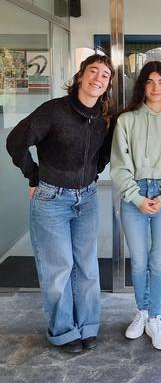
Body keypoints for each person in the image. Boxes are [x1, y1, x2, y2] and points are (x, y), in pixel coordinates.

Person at [6, 54, 115, 354]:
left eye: (105, 75)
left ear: (107, 86)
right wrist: (34, 175)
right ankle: (64, 330)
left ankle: (88, 325)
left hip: (88, 199)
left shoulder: (103, 117)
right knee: (59, 269)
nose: (98, 78)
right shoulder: (54, 110)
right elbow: (16, 141)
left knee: (87, 267)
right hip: (51, 200)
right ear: (80, 76)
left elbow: (102, 153)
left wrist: (93, 172)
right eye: (93, 71)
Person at [110, 61, 161, 350]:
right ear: (142, 85)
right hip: (135, 196)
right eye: (150, 81)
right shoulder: (126, 120)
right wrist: (137, 197)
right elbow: (119, 166)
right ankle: (141, 312)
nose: (156, 87)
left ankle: (155, 317)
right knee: (139, 260)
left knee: (158, 261)